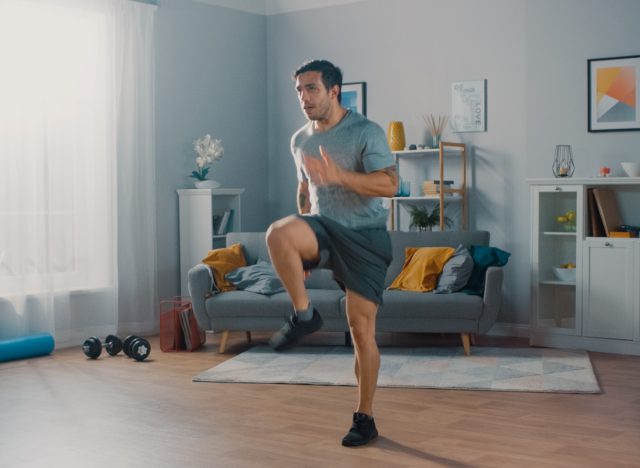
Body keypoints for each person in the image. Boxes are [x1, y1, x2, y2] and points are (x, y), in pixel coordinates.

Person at [265, 59, 397, 447]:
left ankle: (365, 417)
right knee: (277, 234)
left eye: (312, 89)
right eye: (299, 91)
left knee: (360, 329)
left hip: (366, 239)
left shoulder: (365, 132)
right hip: (324, 227)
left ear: (334, 91)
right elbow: (305, 192)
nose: (304, 98)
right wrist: (300, 252)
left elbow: (390, 185)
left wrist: (341, 175)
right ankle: (304, 315)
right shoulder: (299, 140)